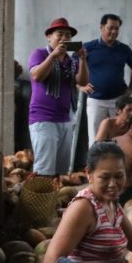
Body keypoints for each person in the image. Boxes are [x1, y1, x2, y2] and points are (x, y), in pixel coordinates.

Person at [28, 17, 90, 178]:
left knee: (61, 171)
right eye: (60, 34)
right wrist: (53, 55)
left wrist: (83, 59)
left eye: (68, 36)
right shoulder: (39, 53)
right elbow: (37, 76)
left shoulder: (71, 61)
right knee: (43, 170)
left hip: (65, 119)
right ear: (49, 36)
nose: (64, 38)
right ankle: (40, 202)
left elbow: (82, 81)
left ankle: (54, 201)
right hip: (43, 120)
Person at [83, 13, 132, 145]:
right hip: (96, 100)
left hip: (118, 101)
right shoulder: (88, 48)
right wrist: (80, 86)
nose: (114, 32)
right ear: (101, 27)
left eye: (117, 29)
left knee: (120, 137)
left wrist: (131, 87)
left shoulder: (124, 49)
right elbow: (73, 69)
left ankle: (119, 165)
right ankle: (95, 166)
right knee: (95, 138)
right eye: (110, 28)